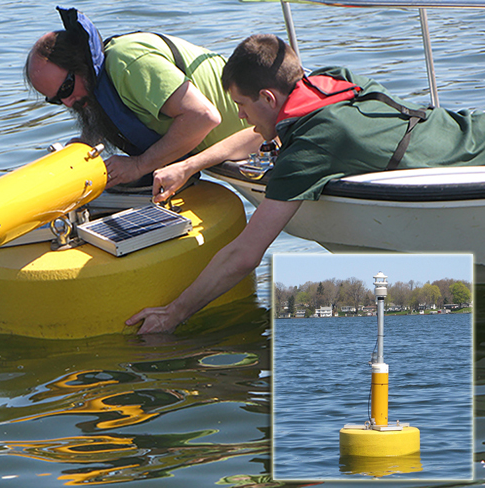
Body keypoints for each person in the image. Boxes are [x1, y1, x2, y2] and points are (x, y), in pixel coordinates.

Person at [126, 33, 485, 334]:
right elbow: (261, 132)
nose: (239, 116)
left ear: (268, 98)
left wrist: (174, 313)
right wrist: (190, 165)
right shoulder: (332, 79)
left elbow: (244, 255)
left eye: (242, 105)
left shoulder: (309, 151)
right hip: (467, 128)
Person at [25, 7, 257, 188]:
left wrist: (138, 165)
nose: (67, 102)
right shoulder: (96, 82)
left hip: (262, 129)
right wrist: (84, 145)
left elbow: (203, 117)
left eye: (66, 89)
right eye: (56, 99)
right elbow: (109, 111)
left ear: (81, 63)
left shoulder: (127, 63)